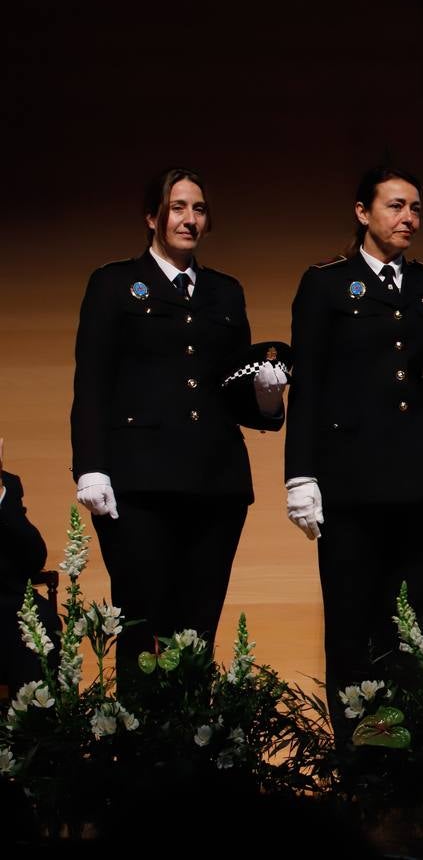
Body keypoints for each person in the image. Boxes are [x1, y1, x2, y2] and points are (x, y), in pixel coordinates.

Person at [284, 166, 423, 727]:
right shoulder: (327, 283)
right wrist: (299, 475)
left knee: (419, 628)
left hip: (420, 482)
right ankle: (361, 764)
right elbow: (306, 384)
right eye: (396, 206)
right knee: (356, 627)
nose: (409, 219)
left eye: (416, 210)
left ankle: (413, 750)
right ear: (363, 212)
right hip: (352, 486)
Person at [70, 168, 286, 680]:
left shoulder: (225, 292)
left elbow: (238, 394)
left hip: (215, 483)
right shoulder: (114, 283)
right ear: (152, 217)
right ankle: (144, 754)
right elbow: (93, 383)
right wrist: (91, 467)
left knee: (197, 633)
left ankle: (196, 753)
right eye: (178, 207)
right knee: (144, 628)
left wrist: (268, 398)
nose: (190, 219)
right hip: (138, 482)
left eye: (199, 209)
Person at [1, 438, 57, 693]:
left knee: (42, 619)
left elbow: (35, 558)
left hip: (8, 597)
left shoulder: (8, 484)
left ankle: (33, 725)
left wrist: (2, 503)